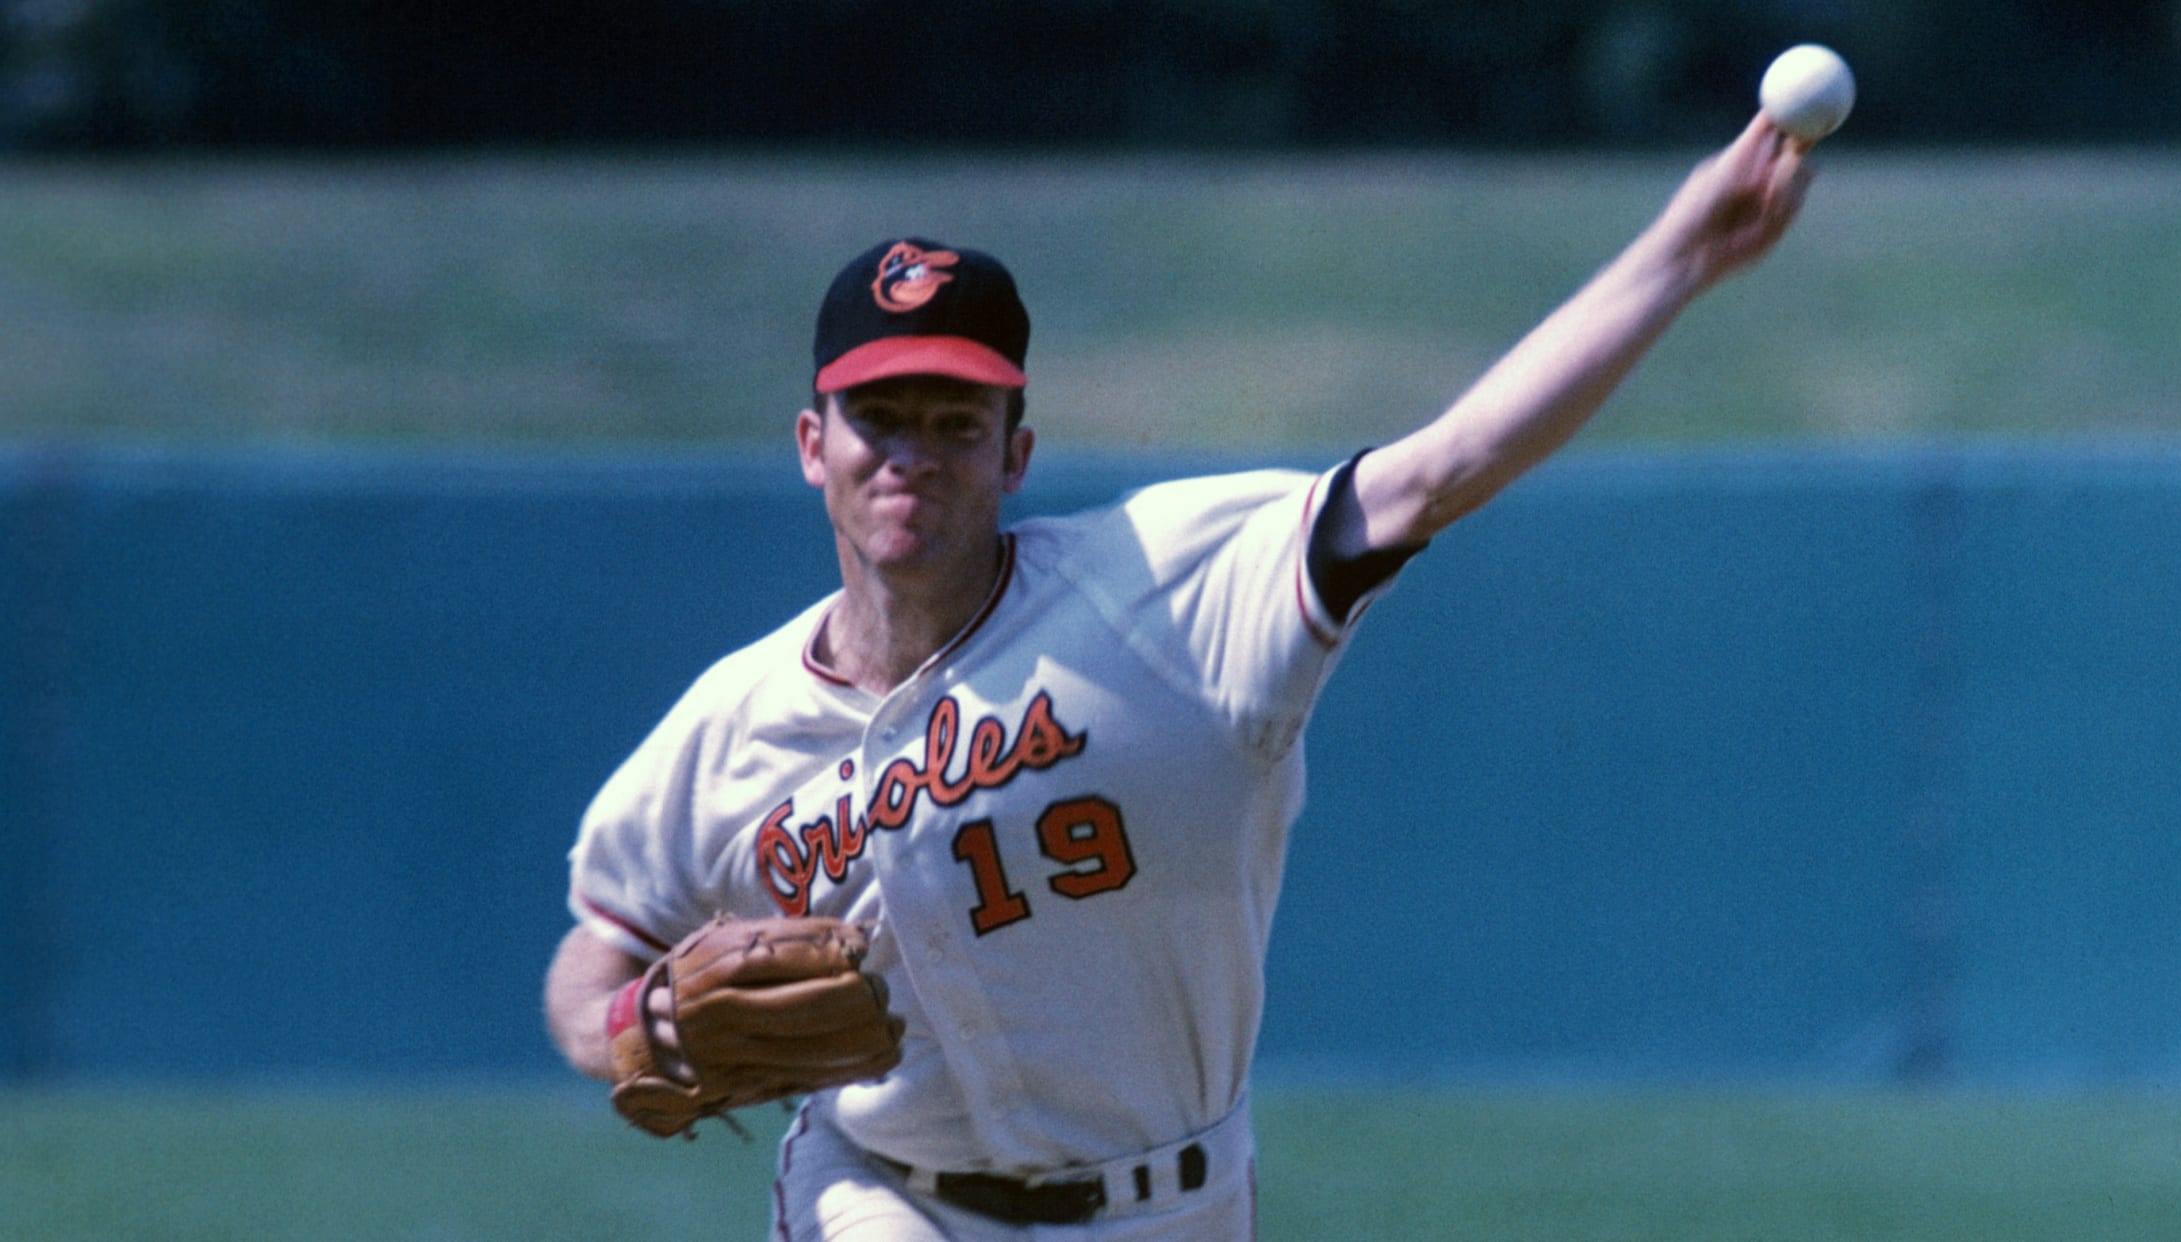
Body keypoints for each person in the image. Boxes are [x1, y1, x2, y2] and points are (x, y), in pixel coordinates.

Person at [544, 112, 1817, 1241]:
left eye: (956, 424)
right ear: (813, 446)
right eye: (880, 420)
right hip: (881, 1191)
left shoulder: (1165, 594)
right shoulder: (731, 726)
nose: (912, 457)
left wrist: (1683, 257)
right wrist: (621, 1034)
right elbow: (597, 948)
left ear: (1016, 452)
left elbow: (1445, 467)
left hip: (1176, 1199)